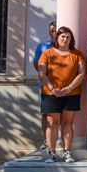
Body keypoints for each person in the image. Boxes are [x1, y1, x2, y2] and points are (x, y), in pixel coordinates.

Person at [37, 26, 85, 163]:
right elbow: (42, 73)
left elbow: (81, 73)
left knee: (67, 123)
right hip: (51, 93)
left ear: (71, 39)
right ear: (57, 38)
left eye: (68, 37)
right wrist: (52, 88)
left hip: (71, 93)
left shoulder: (77, 54)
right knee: (52, 123)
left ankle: (67, 152)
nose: (65, 39)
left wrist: (69, 88)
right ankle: (51, 152)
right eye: (62, 37)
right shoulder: (47, 53)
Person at [33, 21, 57, 150]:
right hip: (45, 86)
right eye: (52, 30)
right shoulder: (42, 47)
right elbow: (37, 65)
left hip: (63, 86)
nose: (54, 32)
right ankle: (46, 140)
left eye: (56, 29)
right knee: (46, 113)